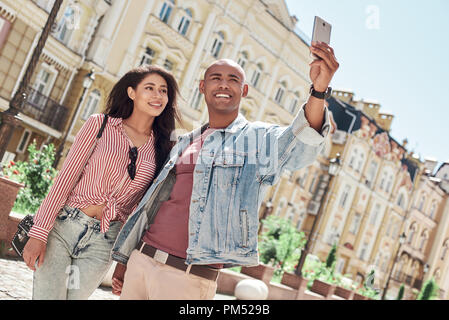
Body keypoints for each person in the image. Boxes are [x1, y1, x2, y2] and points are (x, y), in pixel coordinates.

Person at [111, 41, 339, 300]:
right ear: (202, 87)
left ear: (244, 90)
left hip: (187, 278)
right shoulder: (186, 141)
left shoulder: (257, 139)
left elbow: (300, 143)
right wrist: (126, 259)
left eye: (232, 79)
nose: (223, 84)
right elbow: (155, 205)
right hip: (142, 260)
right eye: (215, 78)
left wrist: (318, 91)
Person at [22, 65, 181, 299]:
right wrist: (39, 232)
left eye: (163, 91)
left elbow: (145, 211)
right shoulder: (100, 125)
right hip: (64, 228)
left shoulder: (163, 149)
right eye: (150, 88)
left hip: (105, 241)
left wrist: (125, 259)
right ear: (131, 93)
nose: (158, 96)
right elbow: (64, 180)